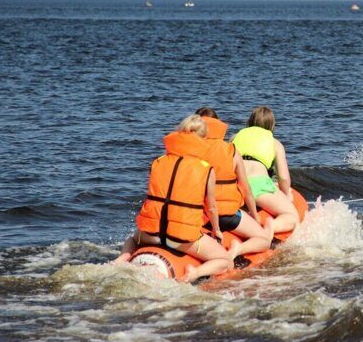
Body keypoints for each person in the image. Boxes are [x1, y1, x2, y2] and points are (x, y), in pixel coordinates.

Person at [113, 114, 233, 283]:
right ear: (204, 139)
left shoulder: (158, 161)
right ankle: (194, 274)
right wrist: (217, 230)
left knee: (132, 238)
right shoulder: (205, 169)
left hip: (149, 234)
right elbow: (211, 208)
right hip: (179, 239)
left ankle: (121, 260)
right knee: (225, 261)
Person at [194, 107, 273, 259]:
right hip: (227, 215)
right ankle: (238, 249)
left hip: (199, 215)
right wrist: (255, 217)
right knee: (264, 240)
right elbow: (246, 188)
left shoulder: (190, 152)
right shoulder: (231, 151)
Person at [232, 106, 299, 234]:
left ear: (250, 122)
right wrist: (286, 195)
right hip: (258, 186)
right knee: (292, 216)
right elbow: (284, 179)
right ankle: (271, 226)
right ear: (271, 126)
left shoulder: (235, 137)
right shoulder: (275, 143)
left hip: (235, 185)